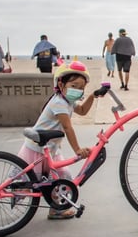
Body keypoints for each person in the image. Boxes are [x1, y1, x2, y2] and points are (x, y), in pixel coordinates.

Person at [16, 61, 105, 219]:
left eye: (81, 87)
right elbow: (67, 127)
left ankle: (57, 209)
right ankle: (54, 207)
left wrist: (92, 96)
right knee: (29, 184)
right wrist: (78, 149)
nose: (78, 90)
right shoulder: (58, 103)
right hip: (36, 149)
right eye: (74, 85)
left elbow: (83, 111)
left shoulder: (67, 101)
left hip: (51, 149)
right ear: (61, 83)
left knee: (61, 177)